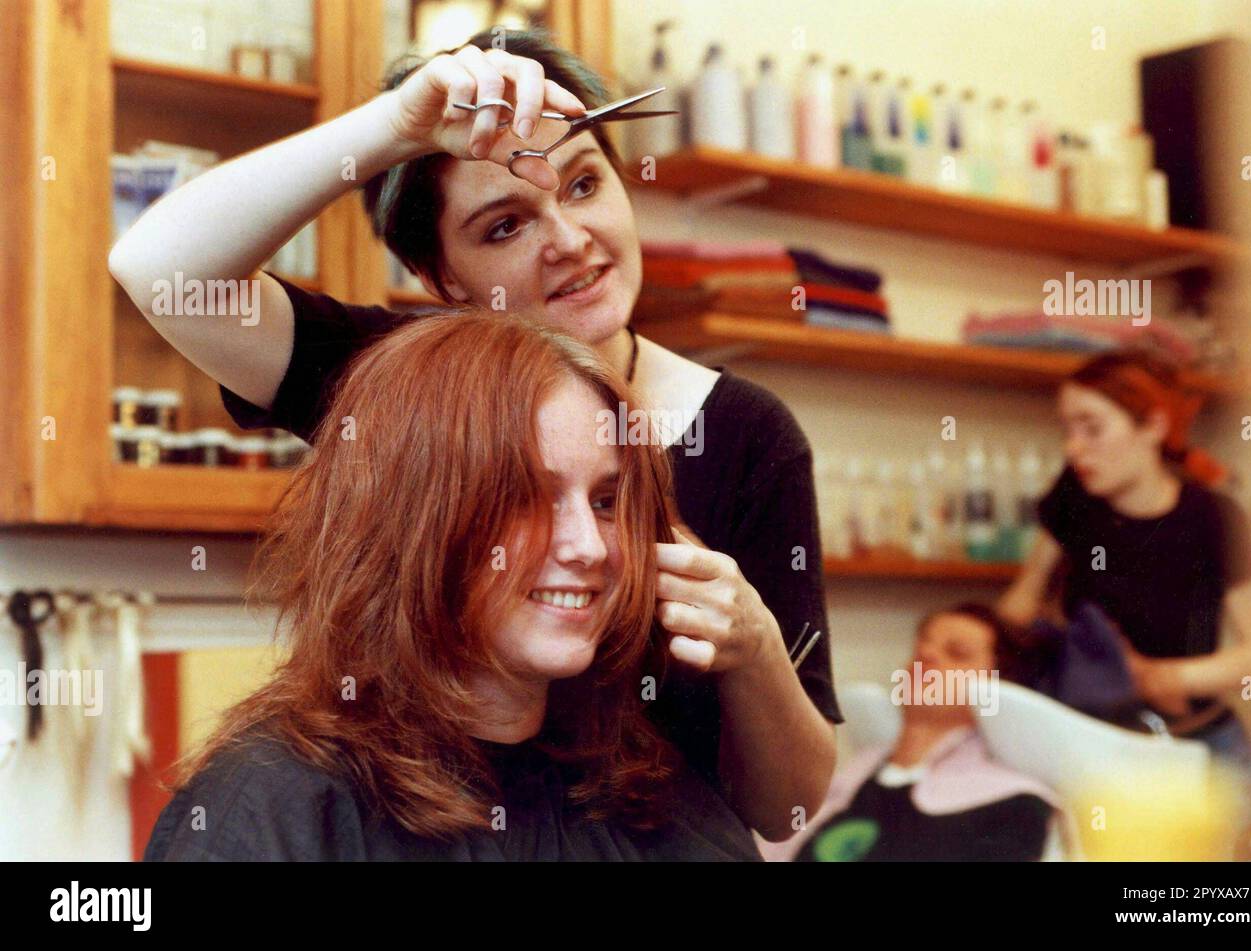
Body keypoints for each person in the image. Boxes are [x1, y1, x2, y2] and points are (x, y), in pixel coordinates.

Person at [110, 27, 839, 843]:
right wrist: (398, 125)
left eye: (586, 184)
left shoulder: (745, 436)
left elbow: (790, 804)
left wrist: (754, 645)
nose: (567, 239)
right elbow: (160, 270)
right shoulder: (399, 392)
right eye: (505, 226)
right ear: (444, 281)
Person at [145, 313, 761, 861]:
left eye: (605, 501)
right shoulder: (278, 805)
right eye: (526, 498)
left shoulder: (652, 795)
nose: (590, 547)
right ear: (415, 524)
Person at [997, 348, 1251, 828]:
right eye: (1067, 429)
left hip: (1200, 746)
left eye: (1092, 427)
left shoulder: (1213, 517)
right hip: (1096, 745)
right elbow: (1020, 605)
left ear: (1152, 426)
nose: (1073, 447)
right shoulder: (1075, 498)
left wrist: (1157, 676)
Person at [760, 604, 1066, 862]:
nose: (926, 655)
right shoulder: (841, 784)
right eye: (923, 644)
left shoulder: (1014, 807)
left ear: (1000, 688)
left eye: (957, 653)